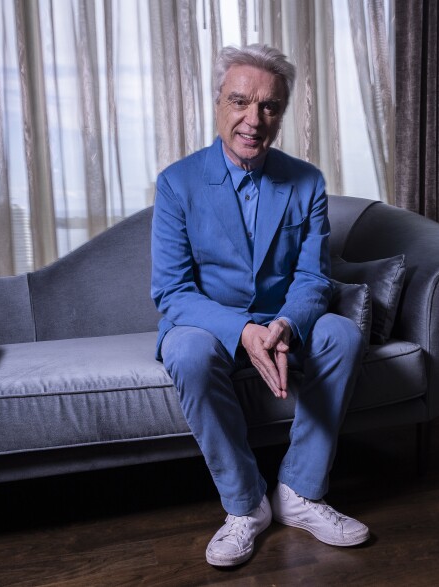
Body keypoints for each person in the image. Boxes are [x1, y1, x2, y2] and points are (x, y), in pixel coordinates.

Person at [150, 43, 368, 567]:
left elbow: (313, 276)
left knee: (343, 333)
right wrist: (243, 331)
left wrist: (287, 324)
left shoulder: (306, 181)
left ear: (282, 113)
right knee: (185, 353)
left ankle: (299, 492)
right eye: (240, 101)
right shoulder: (177, 182)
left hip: (283, 318)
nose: (253, 119)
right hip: (208, 322)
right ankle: (246, 504)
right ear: (218, 103)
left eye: (269, 106)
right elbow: (172, 291)